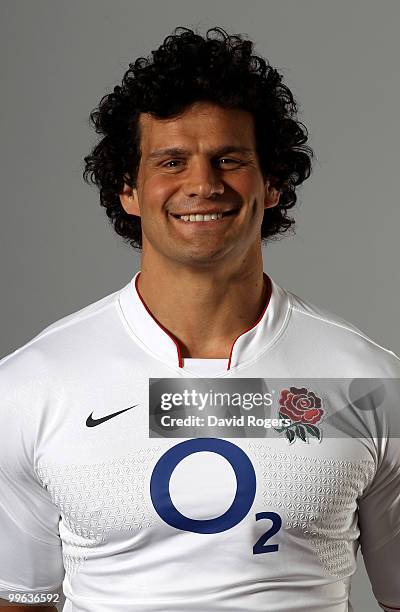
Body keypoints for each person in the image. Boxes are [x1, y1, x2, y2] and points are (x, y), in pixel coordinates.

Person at [0, 26, 399, 612]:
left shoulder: (366, 383)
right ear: (128, 190)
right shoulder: (30, 386)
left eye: (229, 159)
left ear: (274, 184)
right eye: (171, 161)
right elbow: (20, 602)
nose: (203, 184)